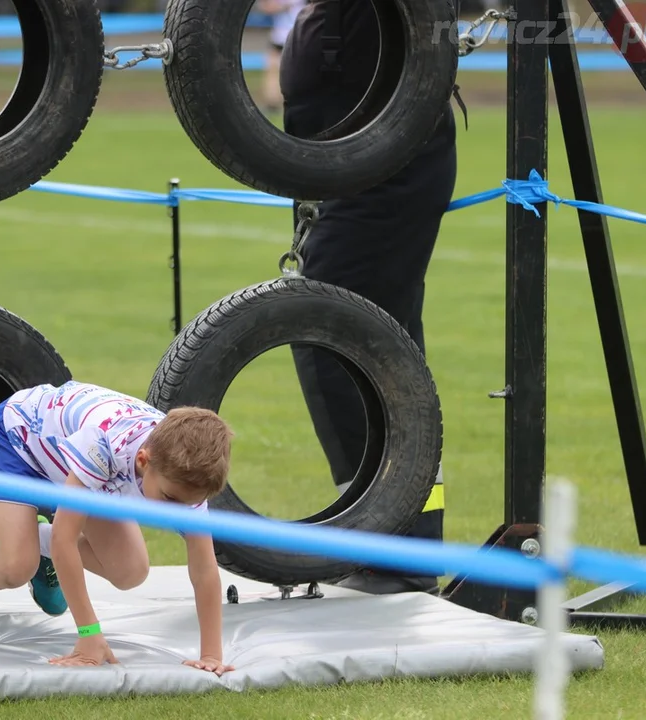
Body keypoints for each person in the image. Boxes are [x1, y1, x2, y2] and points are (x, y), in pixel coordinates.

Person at [279, 0, 458, 594]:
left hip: (384, 165)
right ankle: (404, 548)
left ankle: (394, 549)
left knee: (336, 344)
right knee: (389, 357)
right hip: (351, 159)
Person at [0, 380, 236, 674]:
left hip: (82, 469)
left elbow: (204, 569)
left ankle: (40, 546)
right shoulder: (103, 447)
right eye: (169, 499)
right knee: (17, 566)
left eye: (187, 504)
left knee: (130, 571)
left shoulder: (189, 479)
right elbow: (64, 540)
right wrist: (89, 634)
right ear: (145, 461)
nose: (178, 512)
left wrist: (211, 654)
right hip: (21, 443)